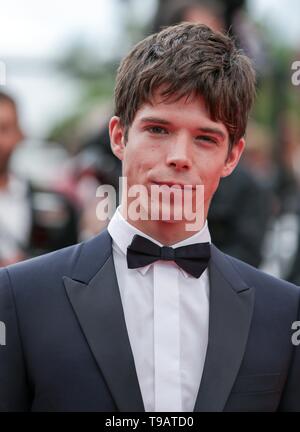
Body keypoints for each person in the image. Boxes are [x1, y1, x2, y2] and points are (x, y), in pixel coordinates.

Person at [0, 23, 300, 412]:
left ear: (232, 156)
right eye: (158, 129)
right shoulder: (20, 297)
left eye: (205, 138)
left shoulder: (283, 313)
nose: (179, 156)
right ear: (119, 137)